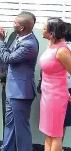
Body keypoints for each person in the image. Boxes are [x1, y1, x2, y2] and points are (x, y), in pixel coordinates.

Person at [0, 11, 39, 151]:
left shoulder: (29, 44)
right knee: (10, 123)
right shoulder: (20, 38)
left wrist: (0, 41)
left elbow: (8, 58)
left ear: (22, 28)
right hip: (12, 89)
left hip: (21, 92)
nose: (13, 25)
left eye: (15, 23)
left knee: (21, 127)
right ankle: (6, 148)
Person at [38, 18, 71, 151]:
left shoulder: (62, 51)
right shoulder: (51, 46)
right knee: (49, 133)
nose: (41, 29)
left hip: (57, 97)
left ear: (51, 33)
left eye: (44, 27)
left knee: (56, 134)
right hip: (47, 95)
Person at [0, 31, 17, 137]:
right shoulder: (13, 35)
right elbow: (3, 59)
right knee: (6, 118)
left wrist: (3, 75)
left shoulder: (25, 43)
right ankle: (6, 145)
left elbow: (16, 64)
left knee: (13, 120)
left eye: (16, 22)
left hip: (16, 87)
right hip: (5, 84)